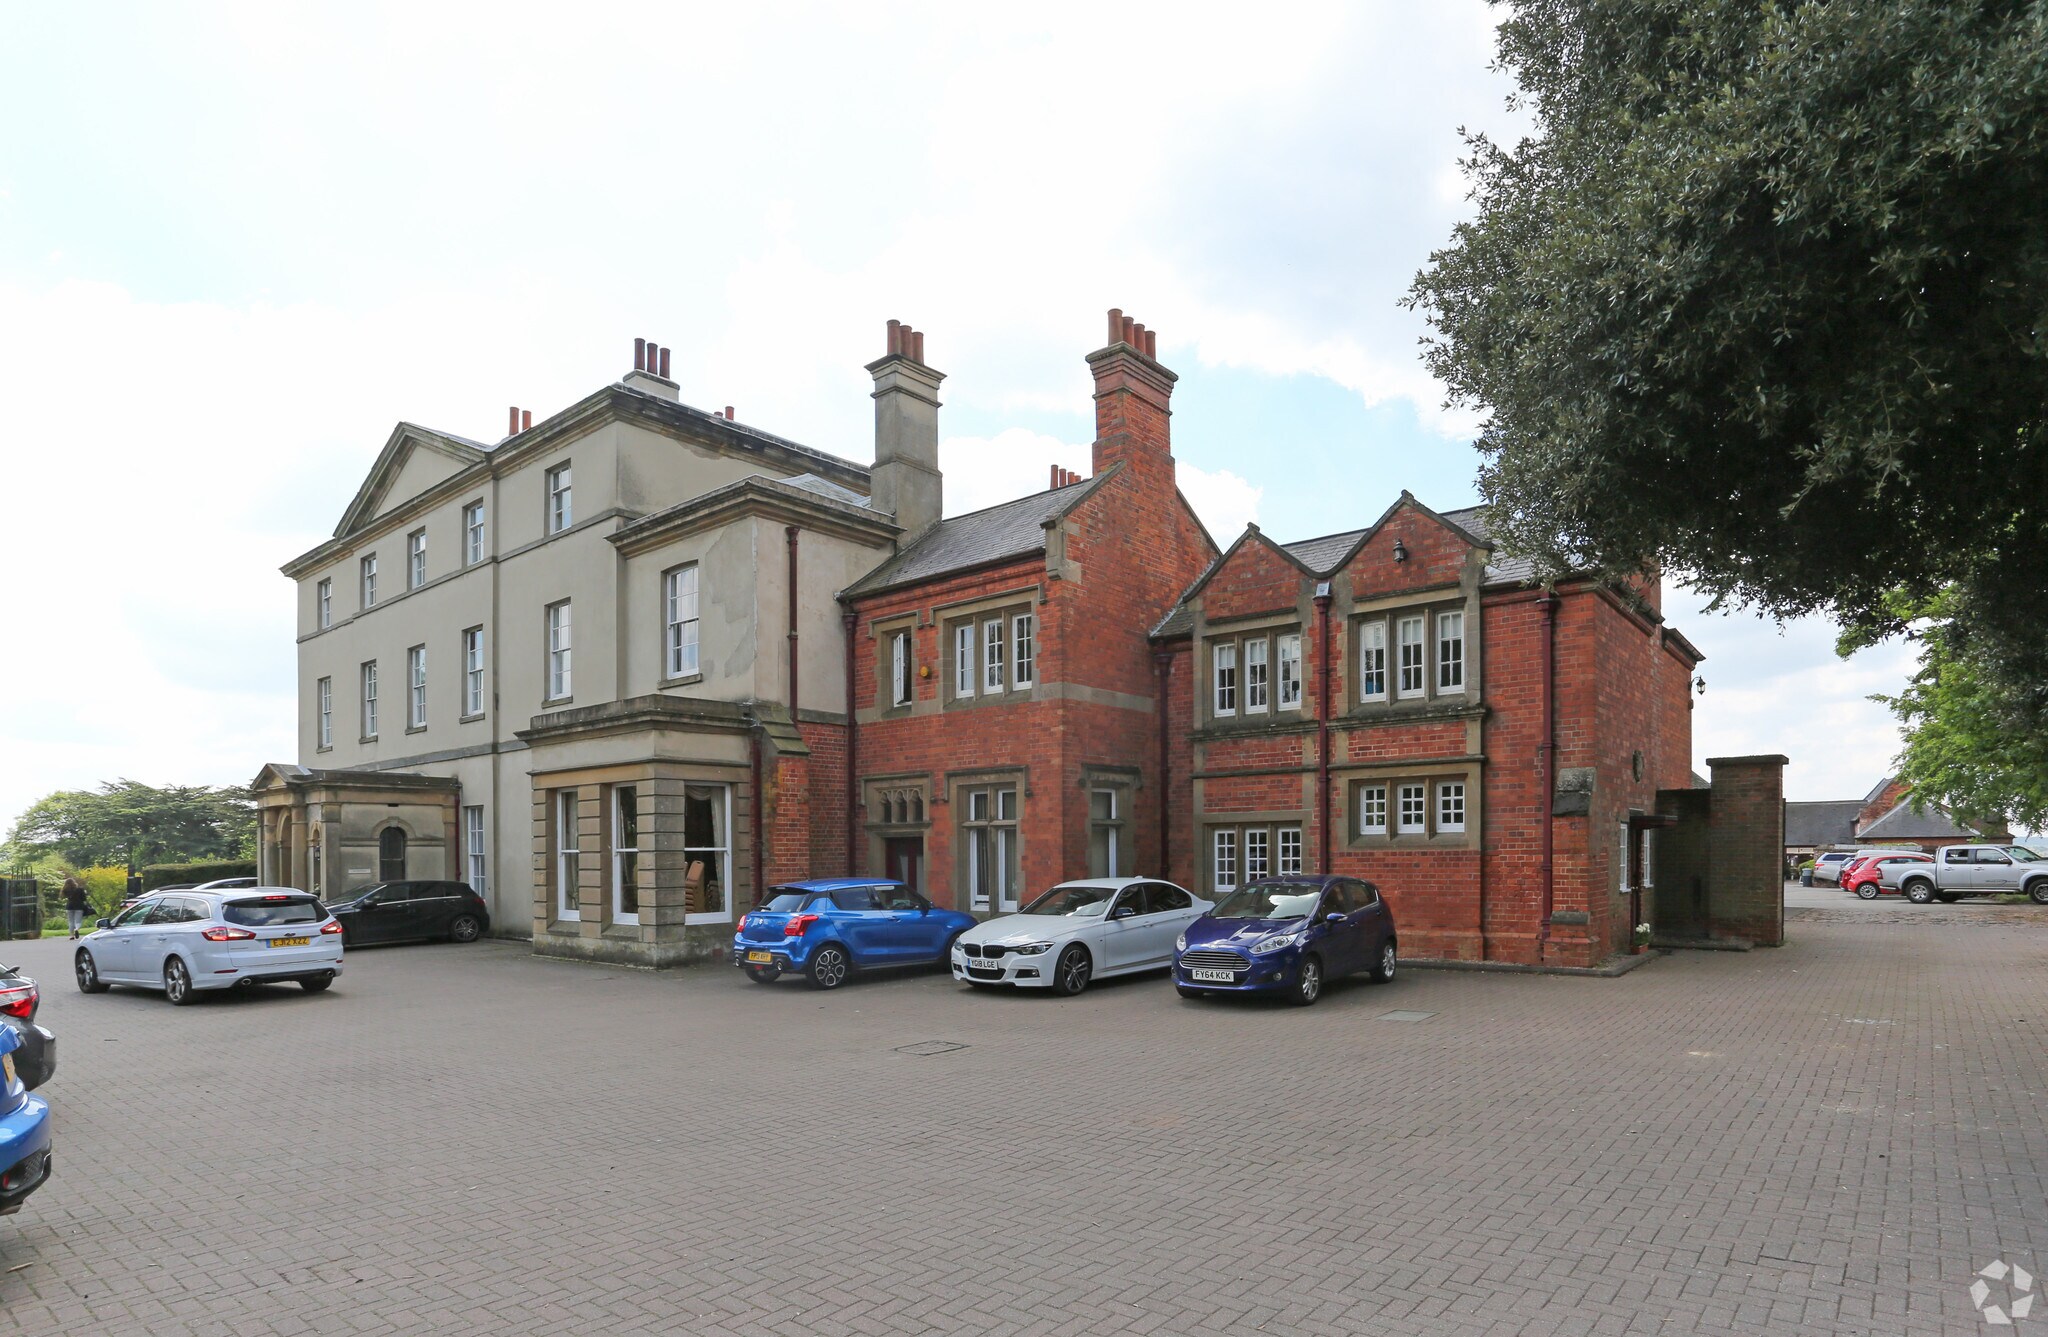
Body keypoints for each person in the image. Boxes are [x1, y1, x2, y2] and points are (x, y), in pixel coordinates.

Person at [61, 874, 89, 939]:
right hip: (79, 906)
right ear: (74, 882)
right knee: (78, 921)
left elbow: (64, 897)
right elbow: (84, 898)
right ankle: (76, 929)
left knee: (71, 921)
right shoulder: (80, 889)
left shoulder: (65, 890)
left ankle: (71, 935)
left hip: (69, 906)